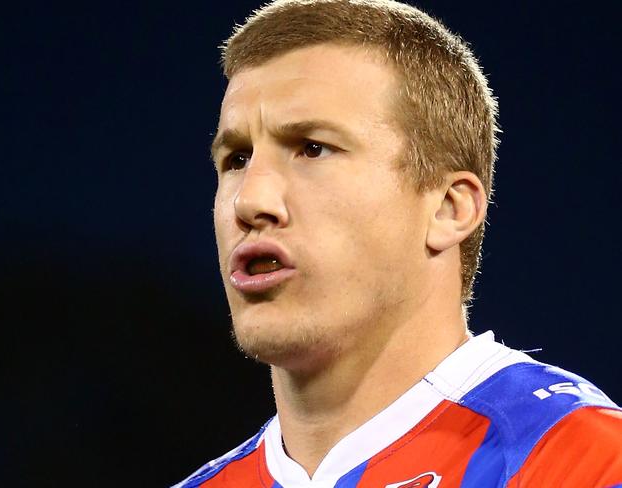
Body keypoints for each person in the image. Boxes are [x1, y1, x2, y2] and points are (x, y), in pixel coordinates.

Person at [173, 1, 622, 486]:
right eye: (237, 158)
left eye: (313, 147)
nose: (250, 200)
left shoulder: (579, 459)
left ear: (449, 209)